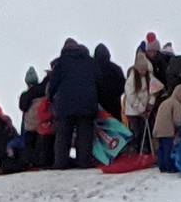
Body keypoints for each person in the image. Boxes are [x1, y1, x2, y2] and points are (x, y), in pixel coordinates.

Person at [49, 38, 101, 169]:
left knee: (63, 134)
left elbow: (53, 84)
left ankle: (61, 162)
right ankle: (84, 161)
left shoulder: (61, 62)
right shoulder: (89, 61)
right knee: (85, 134)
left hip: (65, 105)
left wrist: (51, 97)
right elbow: (99, 80)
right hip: (87, 103)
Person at [153, 84, 181, 172]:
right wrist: (180, 126)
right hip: (167, 130)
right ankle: (169, 166)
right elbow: (176, 119)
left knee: (161, 148)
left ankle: (161, 166)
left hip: (158, 129)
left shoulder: (166, 101)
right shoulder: (177, 103)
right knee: (168, 149)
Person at [123, 52, 156, 151]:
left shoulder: (149, 75)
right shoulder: (132, 79)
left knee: (145, 131)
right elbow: (130, 95)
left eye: (144, 70)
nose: (143, 72)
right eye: (141, 70)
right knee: (136, 132)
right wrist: (141, 109)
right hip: (133, 111)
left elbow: (154, 90)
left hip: (146, 109)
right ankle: (135, 152)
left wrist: (151, 103)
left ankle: (146, 151)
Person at [19, 66, 48, 164]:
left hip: (30, 125)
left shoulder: (26, 95)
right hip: (43, 122)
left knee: (29, 143)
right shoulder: (43, 91)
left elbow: (22, 107)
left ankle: (29, 161)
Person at [94, 43, 126, 121]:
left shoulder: (92, 69)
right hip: (114, 105)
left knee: (98, 131)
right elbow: (123, 86)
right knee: (115, 130)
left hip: (97, 106)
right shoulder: (116, 69)